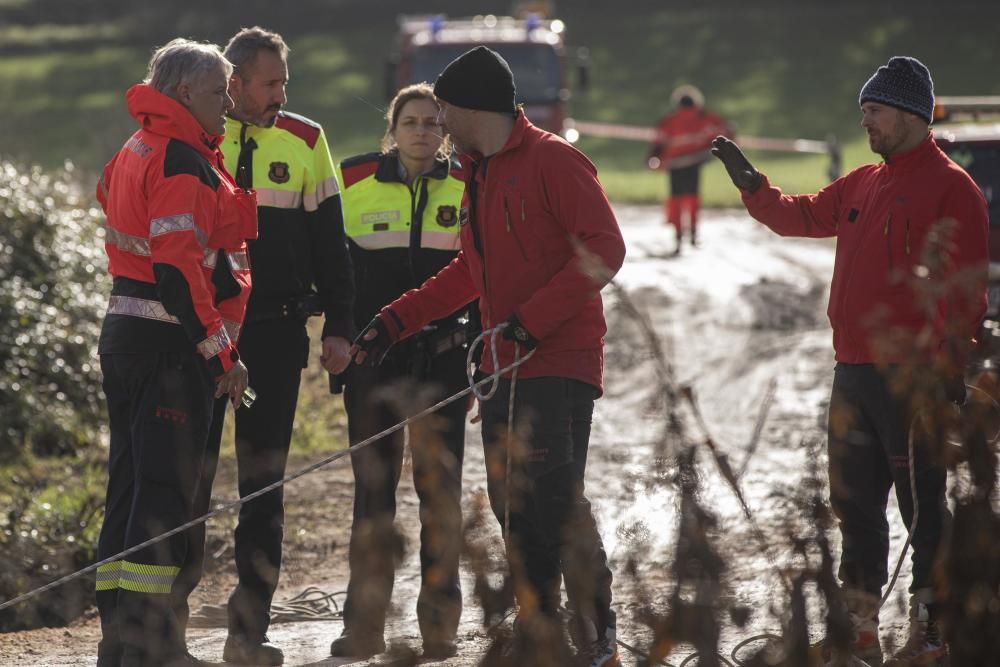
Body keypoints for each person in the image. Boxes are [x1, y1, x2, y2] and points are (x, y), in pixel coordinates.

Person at [351, 46, 626, 667]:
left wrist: (528, 326)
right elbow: (469, 271)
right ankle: (541, 632)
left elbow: (605, 249)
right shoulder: (480, 170)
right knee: (512, 509)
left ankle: (595, 638)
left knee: (554, 502)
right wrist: (394, 321)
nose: (438, 119)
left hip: (557, 365)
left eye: (444, 107)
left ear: (473, 106)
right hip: (502, 370)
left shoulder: (555, 161)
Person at [712, 56, 988, 666]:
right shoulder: (863, 182)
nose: (867, 123)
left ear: (913, 115)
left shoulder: (953, 188)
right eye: (864, 111)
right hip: (853, 372)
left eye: (877, 112)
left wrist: (948, 367)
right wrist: (754, 187)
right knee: (854, 504)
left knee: (922, 508)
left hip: (911, 379)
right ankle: (859, 629)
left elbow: (964, 291)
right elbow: (803, 214)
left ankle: (932, 630)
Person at [170, 27, 354, 666]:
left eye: (285, 82)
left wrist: (339, 325)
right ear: (236, 82)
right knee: (187, 480)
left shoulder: (307, 140)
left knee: (263, 484)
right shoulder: (194, 138)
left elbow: (333, 242)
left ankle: (248, 635)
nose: (282, 94)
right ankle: (169, 629)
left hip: (276, 334)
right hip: (203, 334)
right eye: (270, 83)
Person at [94, 38, 256, 667]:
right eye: (220, 91)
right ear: (186, 92)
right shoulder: (183, 161)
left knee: (130, 489)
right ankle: (147, 648)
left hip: (126, 335)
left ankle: (121, 640)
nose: (229, 102)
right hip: (168, 347)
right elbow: (180, 274)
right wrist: (222, 358)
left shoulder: (136, 146)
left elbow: (110, 202)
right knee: (163, 498)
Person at [327, 83, 472, 660]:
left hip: (444, 361)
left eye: (434, 123)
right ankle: (364, 626)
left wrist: (479, 356)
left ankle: (439, 626)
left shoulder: (467, 187)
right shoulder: (353, 179)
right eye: (411, 121)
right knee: (373, 494)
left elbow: (482, 273)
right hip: (374, 362)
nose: (422, 131)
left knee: (441, 495)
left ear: (446, 133)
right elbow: (333, 268)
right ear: (393, 127)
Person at [647, 85, 730, 254]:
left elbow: (658, 143)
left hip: (675, 166)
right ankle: (693, 234)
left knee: (676, 200)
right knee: (693, 198)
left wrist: (652, 158)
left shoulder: (670, 121)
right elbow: (725, 130)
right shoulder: (705, 117)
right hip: (694, 163)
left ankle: (678, 237)